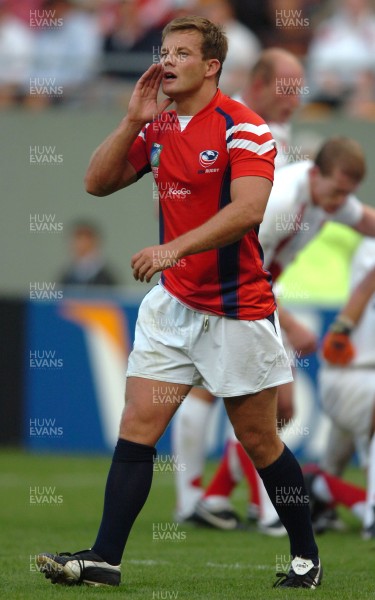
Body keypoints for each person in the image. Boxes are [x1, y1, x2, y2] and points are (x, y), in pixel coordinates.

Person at [36, 15, 322, 589]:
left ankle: (306, 557)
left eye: (182, 53)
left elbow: (248, 211)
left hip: (234, 309)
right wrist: (130, 120)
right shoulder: (159, 123)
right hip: (171, 307)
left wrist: (173, 250)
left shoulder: (246, 129)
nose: (166, 60)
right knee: (138, 424)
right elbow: (95, 182)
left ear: (211, 65)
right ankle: (104, 559)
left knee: (260, 439)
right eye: (164, 50)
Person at [195, 136, 375, 530]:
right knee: (270, 404)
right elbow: (241, 263)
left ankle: (216, 495)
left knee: (280, 408)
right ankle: (272, 513)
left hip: (256, 296)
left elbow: (365, 220)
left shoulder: (326, 197)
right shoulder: (280, 202)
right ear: (315, 173)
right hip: (231, 293)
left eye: (347, 193)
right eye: (336, 190)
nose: (340, 200)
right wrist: (290, 324)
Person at [172, 46, 316, 527]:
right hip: (220, 281)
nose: (295, 98)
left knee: (236, 395)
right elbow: (244, 227)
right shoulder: (238, 127)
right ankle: (227, 505)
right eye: (287, 87)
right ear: (258, 83)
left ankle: (211, 499)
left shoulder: (273, 130)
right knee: (236, 395)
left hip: (245, 280)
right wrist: (284, 315)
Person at [318, 237, 375, 538]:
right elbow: (368, 282)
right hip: (356, 371)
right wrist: (341, 330)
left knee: (338, 454)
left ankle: (319, 491)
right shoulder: (369, 245)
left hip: (352, 374)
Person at [59, 220, 118, 287]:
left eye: (86, 239)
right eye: (78, 239)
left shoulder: (107, 277)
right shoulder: (67, 277)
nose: (81, 245)